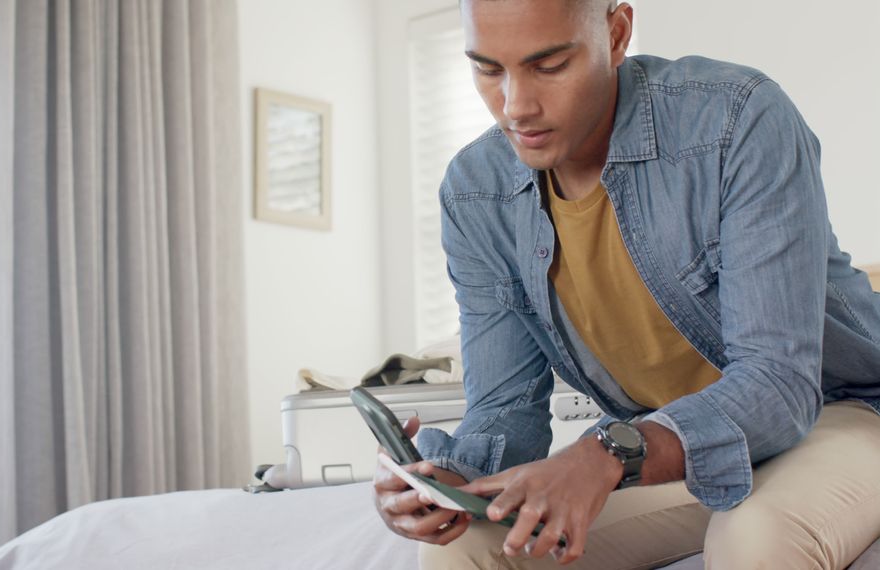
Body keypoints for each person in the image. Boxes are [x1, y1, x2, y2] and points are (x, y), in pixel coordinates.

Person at [371, 0, 880, 568]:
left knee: (754, 539)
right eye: (489, 69)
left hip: (838, 413)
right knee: (467, 548)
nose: (516, 106)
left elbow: (779, 386)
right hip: (670, 449)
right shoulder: (475, 192)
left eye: (549, 65)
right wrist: (449, 479)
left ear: (616, 34)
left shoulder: (737, 119)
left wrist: (606, 452)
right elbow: (506, 408)